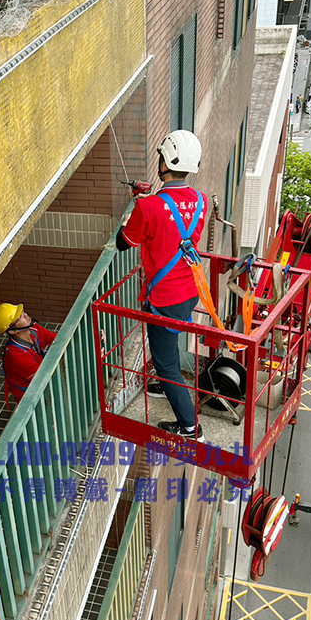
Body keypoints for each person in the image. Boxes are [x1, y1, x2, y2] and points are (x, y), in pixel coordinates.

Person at [115, 130, 207, 441]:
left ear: (165, 162)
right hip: (189, 290)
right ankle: (165, 380)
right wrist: (148, 207)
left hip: (164, 298)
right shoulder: (201, 201)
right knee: (168, 347)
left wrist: (136, 212)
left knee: (166, 363)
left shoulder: (149, 207)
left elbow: (124, 242)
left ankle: (191, 427)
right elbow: (176, 227)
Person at [0, 303, 57, 405]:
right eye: (20, 317)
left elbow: (55, 338)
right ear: (13, 331)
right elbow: (42, 376)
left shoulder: (34, 329)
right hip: (28, 397)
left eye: (22, 312)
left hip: (39, 379)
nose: (25, 315)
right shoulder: (16, 356)